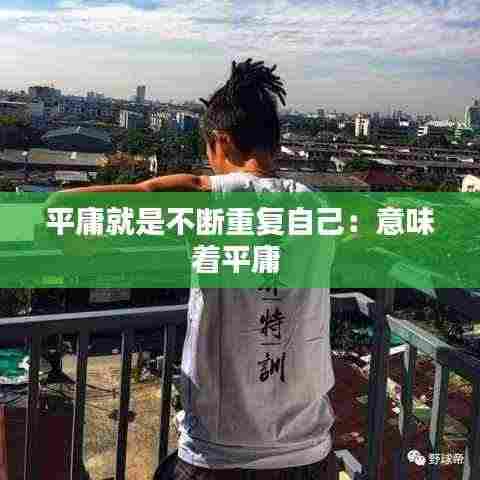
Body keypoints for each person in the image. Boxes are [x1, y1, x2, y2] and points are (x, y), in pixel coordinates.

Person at [49, 59, 337, 479]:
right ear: (274, 145)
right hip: (311, 453)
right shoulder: (319, 206)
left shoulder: (206, 198)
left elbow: (64, 206)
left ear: (220, 141)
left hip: (219, 454)